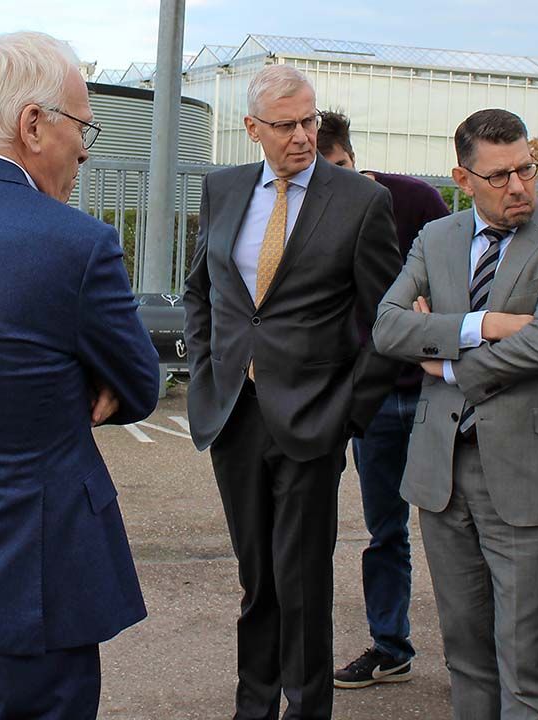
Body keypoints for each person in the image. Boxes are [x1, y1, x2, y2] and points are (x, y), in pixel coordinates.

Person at [0, 31, 159, 718]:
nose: (84, 147)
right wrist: (68, 379)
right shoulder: (75, 244)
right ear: (32, 124)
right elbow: (138, 386)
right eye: (83, 126)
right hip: (27, 594)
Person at [182, 66, 402, 719]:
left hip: (312, 420)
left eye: (309, 120)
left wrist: (347, 411)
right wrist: (203, 370)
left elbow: (388, 325)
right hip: (234, 414)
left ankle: (307, 710)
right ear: (253, 128)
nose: (304, 136)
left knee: (302, 584)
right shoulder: (222, 190)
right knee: (258, 583)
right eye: (286, 125)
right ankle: (254, 708)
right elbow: (202, 291)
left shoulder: (361, 202)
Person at [374, 108, 538, 719]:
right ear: (463, 178)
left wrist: (446, 361)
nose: (520, 186)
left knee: (525, 668)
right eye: (499, 175)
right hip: (441, 473)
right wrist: (485, 325)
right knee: (465, 657)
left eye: (527, 168)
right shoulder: (436, 238)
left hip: (530, 474)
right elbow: (389, 327)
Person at [315, 110, 451, 688]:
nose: (338, 189)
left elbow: (462, 268)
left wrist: (431, 307)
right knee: (385, 530)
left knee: (460, 528)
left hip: (436, 390)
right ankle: (389, 646)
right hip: (374, 398)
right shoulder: (312, 219)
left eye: (343, 170)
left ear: (354, 156)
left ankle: (480, 658)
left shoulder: (414, 200)